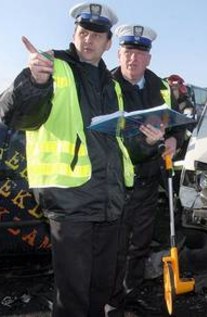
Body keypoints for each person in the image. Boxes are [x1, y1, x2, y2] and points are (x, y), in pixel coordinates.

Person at [0, 3, 137, 316]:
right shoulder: (51, 66)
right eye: (82, 32)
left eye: (96, 35)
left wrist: (148, 138)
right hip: (70, 198)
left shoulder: (112, 84)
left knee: (99, 288)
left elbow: (113, 138)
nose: (88, 39)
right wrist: (34, 82)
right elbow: (17, 115)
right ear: (74, 34)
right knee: (73, 294)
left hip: (109, 199)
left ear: (107, 43)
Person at [107, 24, 185, 315]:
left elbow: (180, 125)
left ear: (148, 58)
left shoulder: (161, 87)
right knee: (113, 248)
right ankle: (110, 300)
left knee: (139, 245)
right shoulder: (107, 84)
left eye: (139, 53)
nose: (133, 59)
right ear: (119, 53)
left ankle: (129, 296)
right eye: (128, 52)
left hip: (149, 179)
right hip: (115, 182)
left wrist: (176, 139)